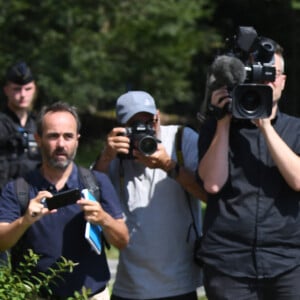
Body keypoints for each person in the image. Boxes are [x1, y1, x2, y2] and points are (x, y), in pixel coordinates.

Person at [198, 37, 300, 299]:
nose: (266, 80)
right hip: (228, 262)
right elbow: (212, 184)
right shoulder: (217, 126)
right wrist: (223, 123)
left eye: (272, 74)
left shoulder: (296, 129)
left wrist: (265, 127)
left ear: (283, 81)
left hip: (287, 262)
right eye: (258, 72)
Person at [0, 102, 129, 299]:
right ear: (38, 139)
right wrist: (25, 221)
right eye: (53, 136)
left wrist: (103, 219)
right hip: (35, 295)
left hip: (91, 296)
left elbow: (122, 241)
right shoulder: (19, 188)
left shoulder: (96, 182)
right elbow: (1, 243)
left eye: (68, 136)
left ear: (77, 140)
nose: (61, 144)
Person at [93, 90, 205, 300]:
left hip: (179, 283)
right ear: (120, 128)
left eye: (149, 122)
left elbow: (209, 193)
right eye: (134, 125)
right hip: (130, 286)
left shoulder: (181, 139)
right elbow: (91, 196)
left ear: (158, 116)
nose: (144, 130)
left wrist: (168, 166)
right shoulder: (116, 155)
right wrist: (106, 157)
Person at [0, 61, 41, 191]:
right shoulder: (2, 124)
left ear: (34, 89)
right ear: (6, 90)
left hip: (34, 194)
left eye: (28, 89)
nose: (23, 95)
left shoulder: (39, 124)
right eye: (17, 89)